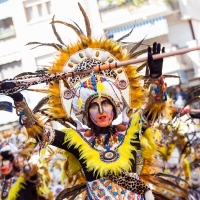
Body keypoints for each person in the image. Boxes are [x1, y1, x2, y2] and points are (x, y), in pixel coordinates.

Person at [0, 2, 192, 200]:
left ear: (115, 108)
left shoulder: (131, 133)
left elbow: (154, 110)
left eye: (106, 103)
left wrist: (155, 78)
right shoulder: (76, 141)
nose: (101, 110)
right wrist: (18, 98)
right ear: (85, 113)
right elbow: (40, 134)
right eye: (94, 105)